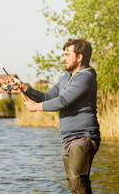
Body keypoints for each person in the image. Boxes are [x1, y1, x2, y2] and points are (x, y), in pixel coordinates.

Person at [8, 38, 100, 193]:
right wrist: (24, 87)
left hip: (83, 136)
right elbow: (46, 97)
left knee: (77, 180)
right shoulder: (66, 77)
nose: (63, 58)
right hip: (68, 138)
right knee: (73, 183)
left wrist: (36, 107)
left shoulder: (86, 77)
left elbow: (63, 101)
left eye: (67, 54)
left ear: (79, 57)